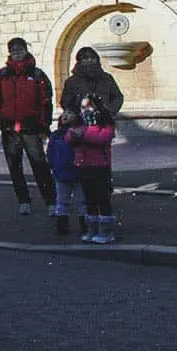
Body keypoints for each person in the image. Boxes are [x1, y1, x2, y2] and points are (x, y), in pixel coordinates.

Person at [0, 37, 57, 215]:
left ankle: (51, 201)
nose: (17, 53)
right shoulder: (2, 75)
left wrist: (45, 125)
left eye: (20, 50)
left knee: (40, 165)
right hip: (9, 128)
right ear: (10, 53)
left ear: (26, 51)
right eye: (14, 50)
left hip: (31, 127)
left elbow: (46, 101)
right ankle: (23, 200)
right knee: (14, 166)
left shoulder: (37, 74)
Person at [67, 93, 117, 244]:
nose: (85, 110)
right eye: (83, 107)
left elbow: (103, 138)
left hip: (100, 166)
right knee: (89, 200)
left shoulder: (104, 123)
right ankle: (92, 229)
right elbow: (69, 138)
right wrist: (76, 133)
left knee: (102, 198)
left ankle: (105, 231)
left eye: (88, 106)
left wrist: (83, 134)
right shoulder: (79, 124)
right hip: (84, 165)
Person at [47, 111, 86, 236]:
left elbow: (50, 154)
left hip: (65, 172)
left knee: (65, 201)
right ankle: (81, 225)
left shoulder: (57, 135)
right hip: (73, 172)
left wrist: (53, 166)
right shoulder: (79, 134)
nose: (65, 115)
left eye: (69, 113)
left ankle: (64, 226)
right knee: (78, 201)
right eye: (65, 113)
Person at [59, 46, 124, 117]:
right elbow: (65, 102)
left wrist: (109, 111)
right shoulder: (72, 82)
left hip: (104, 121)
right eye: (85, 59)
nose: (89, 61)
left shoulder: (106, 78)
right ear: (80, 62)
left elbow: (118, 97)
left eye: (92, 58)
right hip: (80, 122)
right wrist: (77, 113)